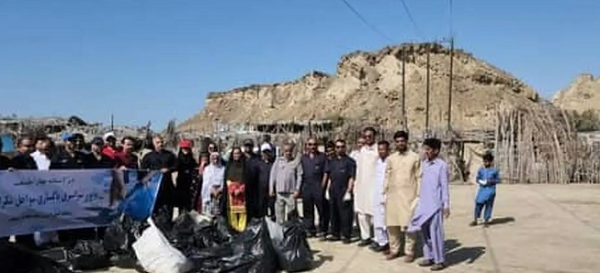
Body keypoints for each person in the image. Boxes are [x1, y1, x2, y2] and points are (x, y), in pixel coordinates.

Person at [408, 138, 450, 271]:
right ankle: (429, 256)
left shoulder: (441, 165)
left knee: (436, 233)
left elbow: (444, 186)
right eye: (425, 149)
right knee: (424, 232)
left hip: (436, 205)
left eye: (429, 149)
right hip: (424, 203)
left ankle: (440, 260)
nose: (426, 151)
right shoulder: (424, 164)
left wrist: (446, 205)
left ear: (436, 150)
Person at [383, 131, 421, 262]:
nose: (400, 143)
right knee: (392, 225)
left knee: (409, 225)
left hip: (409, 196)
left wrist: (418, 195)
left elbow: (419, 176)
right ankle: (394, 250)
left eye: (402, 141)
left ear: (406, 141)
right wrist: (384, 192)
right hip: (393, 196)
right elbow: (387, 176)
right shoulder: (391, 158)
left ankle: (409, 251)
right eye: (397, 141)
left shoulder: (415, 157)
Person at [9, 136, 38, 248]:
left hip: (29, 200)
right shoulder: (15, 160)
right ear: (19, 147)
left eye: (31, 146)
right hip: (17, 201)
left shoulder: (31, 160)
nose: (30, 149)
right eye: (27, 146)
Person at [325, 139, 356, 244]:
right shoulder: (331, 161)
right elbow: (329, 176)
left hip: (344, 190)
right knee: (334, 213)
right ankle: (335, 234)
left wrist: (349, 191)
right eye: (338, 147)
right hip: (333, 189)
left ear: (345, 147)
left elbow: (351, 177)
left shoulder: (350, 161)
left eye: (342, 147)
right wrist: (327, 190)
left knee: (345, 214)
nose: (340, 149)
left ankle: (346, 235)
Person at [141, 135, 177, 221]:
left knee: (168, 210)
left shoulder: (170, 155)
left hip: (167, 187)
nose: (160, 144)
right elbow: (142, 170)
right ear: (153, 143)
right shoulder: (148, 156)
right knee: (154, 210)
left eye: (161, 142)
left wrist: (168, 169)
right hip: (153, 188)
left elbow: (176, 165)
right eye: (158, 142)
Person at [300, 137, 329, 238]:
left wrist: (322, 186)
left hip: (318, 186)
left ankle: (322, 230)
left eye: (314, 145)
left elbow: (326, 172)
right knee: (307, 210)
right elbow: (300, 173)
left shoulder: (322, 157)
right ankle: (309, 229)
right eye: (310, 144)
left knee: (322, 210)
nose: (312, 147)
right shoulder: (303, 158)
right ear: (307, 146)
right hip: (307, 187)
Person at [354, 127, 378, 247]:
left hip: (374, 186)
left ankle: (378, 238)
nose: (368, 138)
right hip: (361, 186)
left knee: (375, 213)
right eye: (366, 136)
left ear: (374, 136)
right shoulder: (361, 150)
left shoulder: (378, 150)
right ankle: (365, 236)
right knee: (362, 213)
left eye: (370, 136)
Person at [220, 147, 252, 232]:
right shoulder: (229, 166)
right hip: (231, 193)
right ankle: (233, 229)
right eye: (235, 153)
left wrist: (241, 189)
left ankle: (241, 229)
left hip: (242, 193)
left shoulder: (245, 166)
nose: (236, 155)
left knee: (242, 212)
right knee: (232, 212)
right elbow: (226, 179)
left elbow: (247, 179)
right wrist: (233, 189)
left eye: (238, 153)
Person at [269, 143, 302, 224]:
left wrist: (297, 189)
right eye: (286, 151)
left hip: (291, 193)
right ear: (283, 151)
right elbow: (272, 175)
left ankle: (291, 233)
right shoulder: (278, 161)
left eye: (290, 151)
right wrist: (271, 189)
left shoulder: (296, 162)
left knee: (292, 216)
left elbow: (299, 176)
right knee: (279, 216)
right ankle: (280, 233)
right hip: (279, 192)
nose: (288, 153)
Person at [470, 153, 500, 227]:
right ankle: (475, 219)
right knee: (478, 204)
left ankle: (486, 220)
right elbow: (477, 178)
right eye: (485, 161)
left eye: (487, 161)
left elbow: (498, 180)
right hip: (482, 190)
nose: (486, 163)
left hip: (491, 190)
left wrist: (491, 181)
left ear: (491, 162)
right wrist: (480, 181)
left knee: (489, 206)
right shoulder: (481, 170)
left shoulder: (494, 171)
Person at [371, 140, 390, 253]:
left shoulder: (390, 162)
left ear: (388, 150)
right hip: (376, 194)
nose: (381, 151)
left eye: (383, 149)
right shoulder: (377, 162)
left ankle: (387, 242)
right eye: (379, 149)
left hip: (386, 194)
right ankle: (380, 241)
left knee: (385, 220)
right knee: (377, 219)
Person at [175, 140, 198, 213]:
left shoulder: (192, 160)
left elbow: (195, 169)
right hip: (181, 184)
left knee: (189, 205)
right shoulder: (178, 160)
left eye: (187, 148)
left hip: (190, 184)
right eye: (184, 148)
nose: (185, 150)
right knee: (181, 205)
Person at [257, 143, 275, 219]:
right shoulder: (259, 164)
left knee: (272, 208)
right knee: (261, 209)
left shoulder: (273, 164)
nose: (266, 154)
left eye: (267, 152)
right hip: (261, 191)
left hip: (271, 190)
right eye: (264, 152)